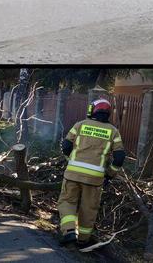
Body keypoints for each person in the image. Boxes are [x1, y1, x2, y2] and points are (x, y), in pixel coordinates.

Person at [57, 98, 125, 247]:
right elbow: (119, 158)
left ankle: (69, 232)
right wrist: (109, 174)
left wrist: (71, 160)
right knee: (89, 208)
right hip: (95, 179)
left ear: (93, 110)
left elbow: (66, 145)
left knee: (67, 201)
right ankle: (83, 240)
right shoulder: (113, 131)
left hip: (73, 174)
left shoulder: (80, 125)